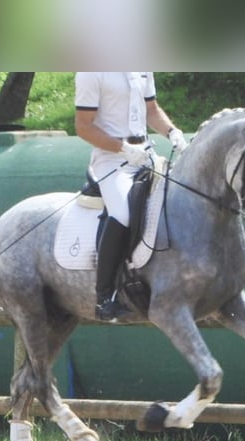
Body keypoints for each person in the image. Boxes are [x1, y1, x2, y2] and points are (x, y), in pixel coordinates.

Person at [75, 72, 188, 321]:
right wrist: (122, 148)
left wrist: (172, 132)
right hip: (110, 159)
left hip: (144, 154)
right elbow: (83, 126)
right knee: (123, 213)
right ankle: (105, 296)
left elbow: (151, 110)